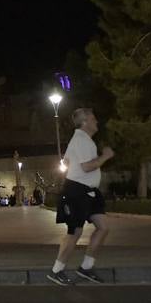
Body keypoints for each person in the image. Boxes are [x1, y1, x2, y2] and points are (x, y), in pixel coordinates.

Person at [47, 107, 113, 285]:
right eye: (93, 119)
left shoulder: (82, 140)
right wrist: (105, 156)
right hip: (77, 190)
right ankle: (56, 271)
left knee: (103, 227)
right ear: (84, 122)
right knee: (75, 232)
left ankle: (86, 267)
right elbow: (86, 167)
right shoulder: (82, 140)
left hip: (89, 191)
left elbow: (68, 161)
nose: (96, 122)